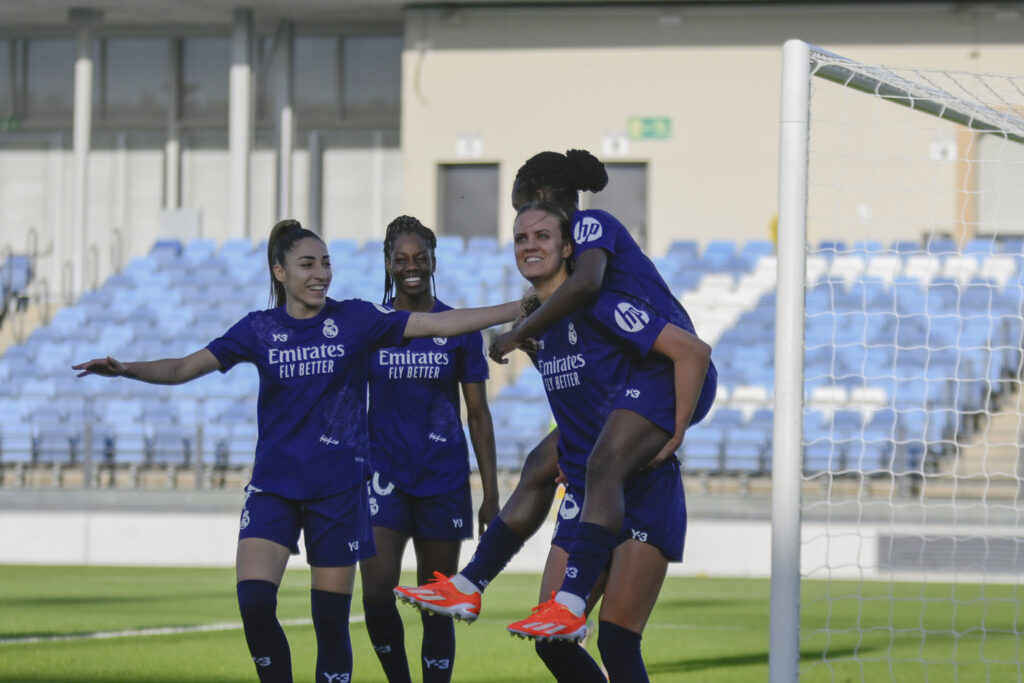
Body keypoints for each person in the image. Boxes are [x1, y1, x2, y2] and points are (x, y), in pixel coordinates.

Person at [71, 219, 521, 683]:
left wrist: (521, 305)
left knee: (331, 622)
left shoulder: (356, 319)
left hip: (339, 492)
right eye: (307, 264)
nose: (320, 273)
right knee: (254, 603)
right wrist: (126, 369)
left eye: (326, 263)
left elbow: (442, 322)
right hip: (275, 487)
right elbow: (186, 366)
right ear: (280, 271)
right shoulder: (258, 328)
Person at [399, 203, 715, 681]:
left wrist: (675, 433)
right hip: (588, 493)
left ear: (569, 247)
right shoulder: (541, 326)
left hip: (645, 492)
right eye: (521, 238)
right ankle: (470, 583)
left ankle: (476, 584)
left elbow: (692, 351)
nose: (530, 245)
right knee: (551, 640)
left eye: (543, 236)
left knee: (617, 642)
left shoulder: (601, 303)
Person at [360, 216, 499, 683]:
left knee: (437, 602)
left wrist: (491, 494)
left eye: (420, 258)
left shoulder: (459, 328)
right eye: (401, 259)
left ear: (434, 261)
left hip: (443, 479)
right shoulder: (370, 325)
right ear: (388, 263)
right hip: (383, 476)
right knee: (377, 593)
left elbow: (478, 414)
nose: (411, 267)